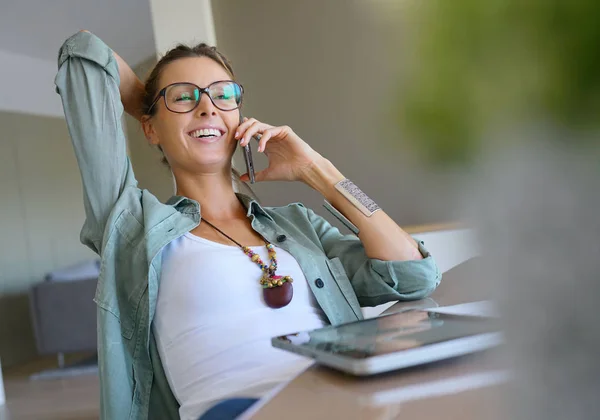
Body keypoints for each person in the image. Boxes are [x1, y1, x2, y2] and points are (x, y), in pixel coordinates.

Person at [55, 30, 441, 420]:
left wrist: (318, 171)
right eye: (184, 96)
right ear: (148, 128)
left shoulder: (299, 225)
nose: (207, 107)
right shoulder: (132, 227)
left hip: (343, 398)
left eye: (222, 95)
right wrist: (163, 111)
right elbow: (83, 53)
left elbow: (413, 274)